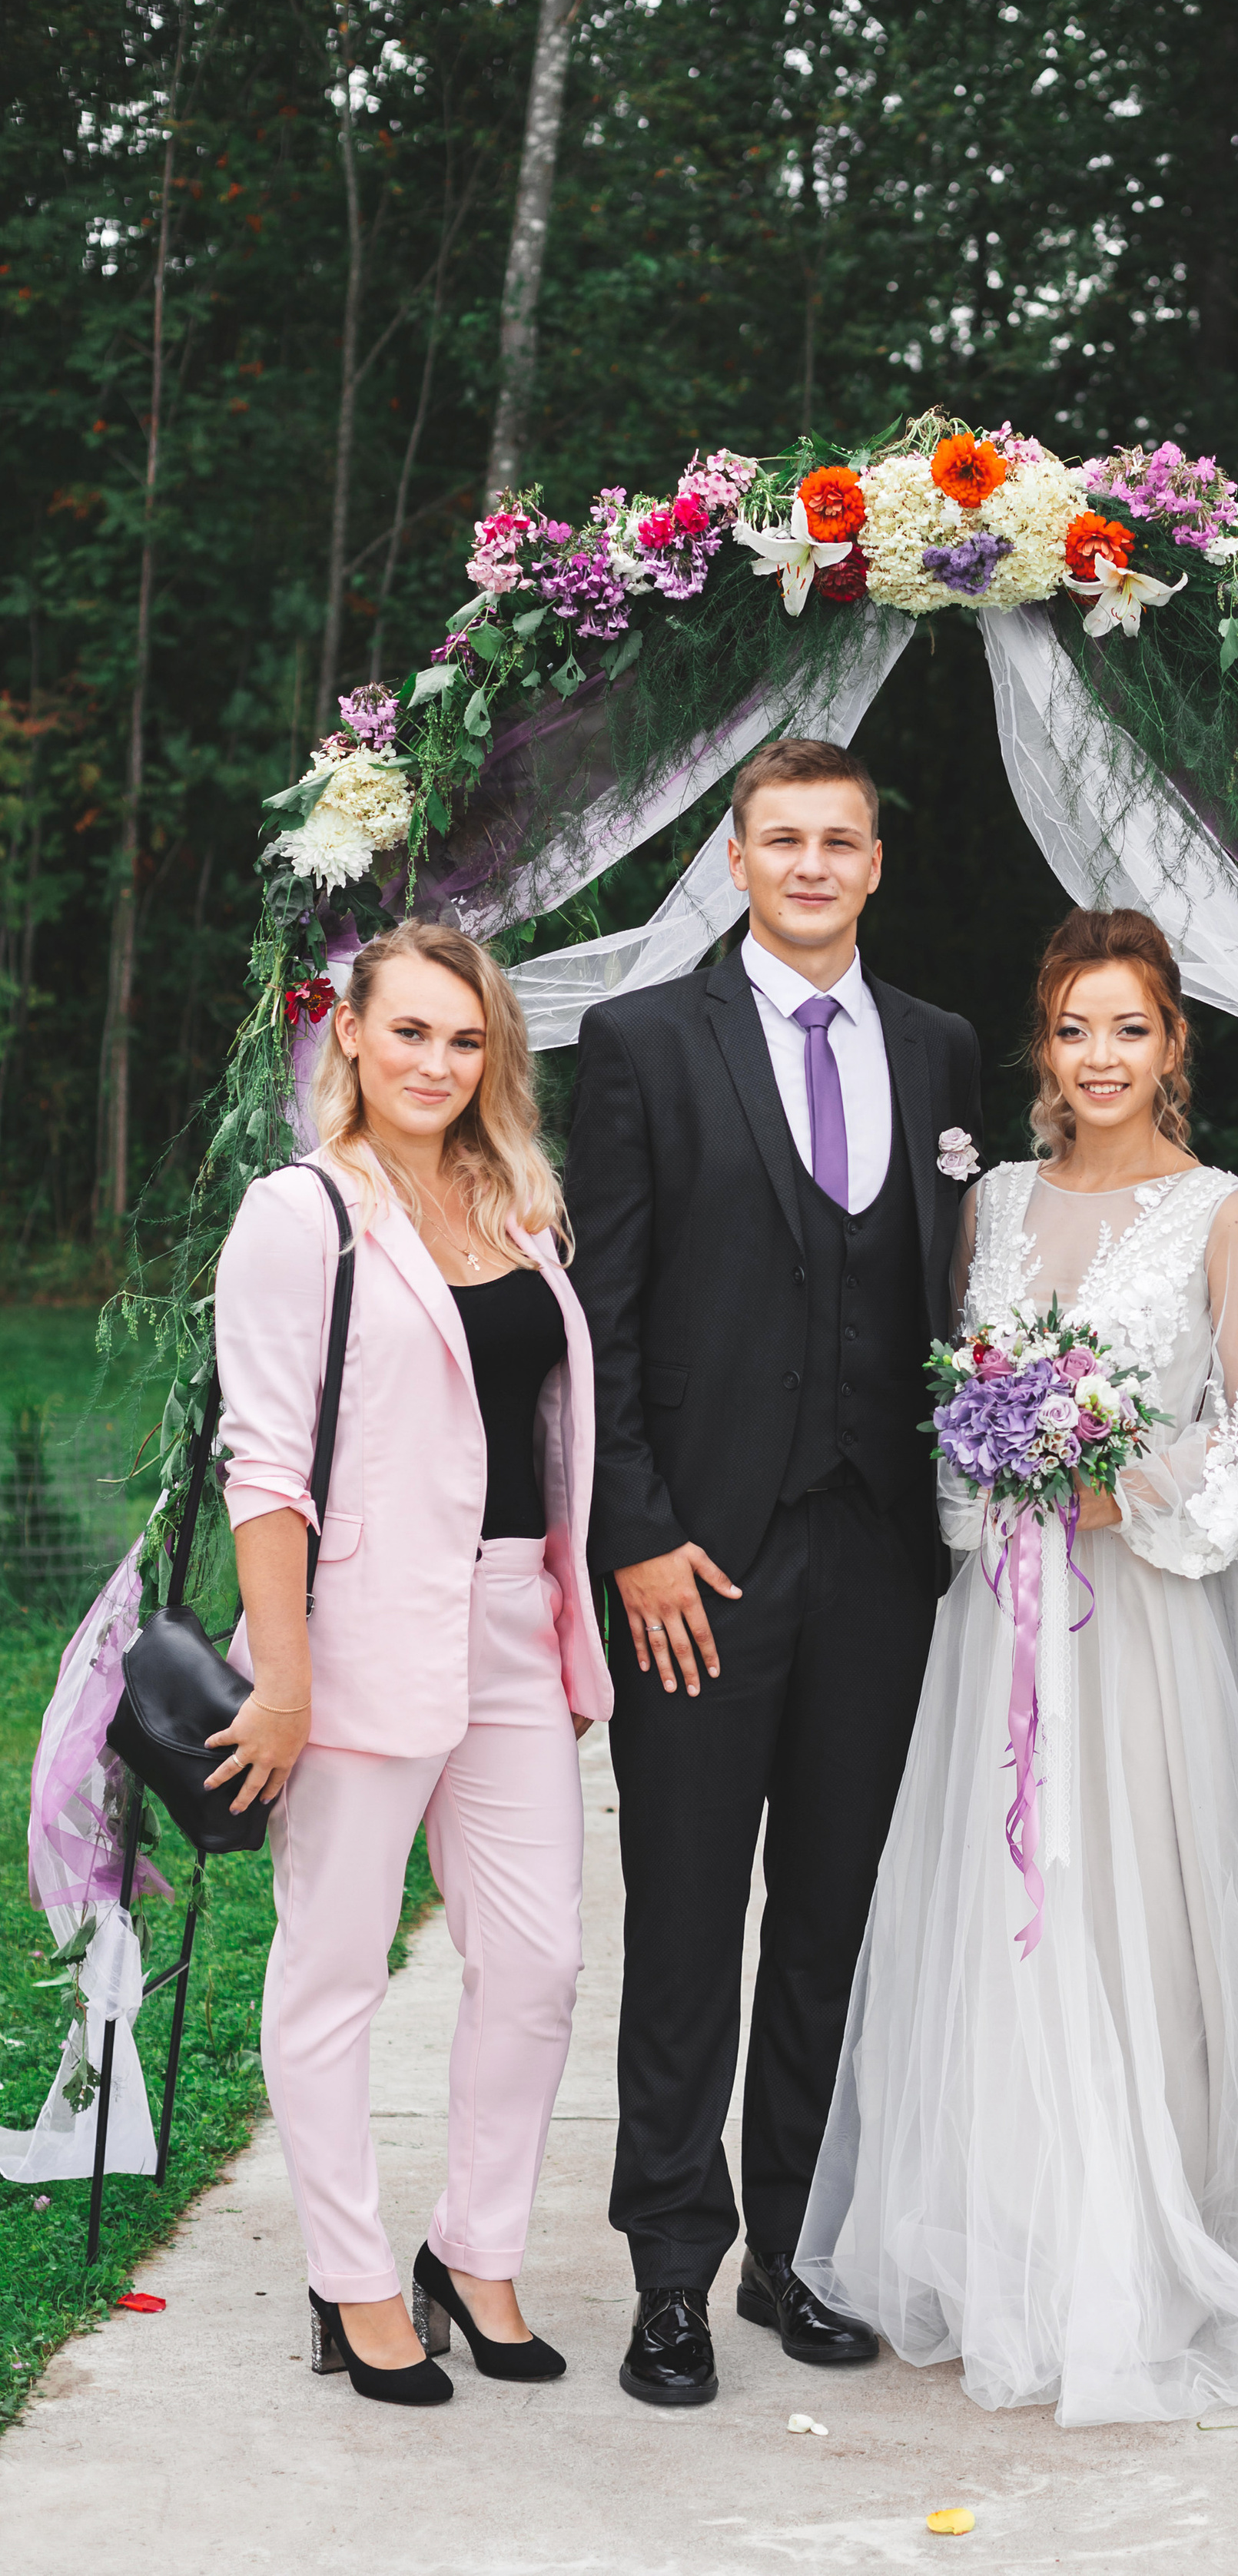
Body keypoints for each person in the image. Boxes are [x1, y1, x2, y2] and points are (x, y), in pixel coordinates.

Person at [797, 907, 1238, 2425]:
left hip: (1148, 1620)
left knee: (1140, 1908)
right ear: (1045, 1043)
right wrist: (999, 1489)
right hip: (1004, 1616)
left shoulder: (1215, 1208)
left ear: (1171, 1047)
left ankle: (1157, 2224)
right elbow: (953, 1392)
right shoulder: (995, 1203)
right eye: (1074, 1028)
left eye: (1128, 1029)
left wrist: (1125, 1496)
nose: (1099, 1056)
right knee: (1006, 1908)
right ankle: (1020, 2220)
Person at [564, 736, 982, 2409]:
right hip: (697, 1566)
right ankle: (669, 2268)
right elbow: (601, 1321)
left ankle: (789, 2251)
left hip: (881, 1553)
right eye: (780, 839)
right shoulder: (641, 1041)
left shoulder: (941, 1051)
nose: (811, 865)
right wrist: (638, 1535)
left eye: (839, 841)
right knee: (682, 1922)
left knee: (829, 1925)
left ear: (875, 864)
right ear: (734, 860)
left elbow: (961, 1292)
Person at [209, 920, 610, 2407]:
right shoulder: (297, 1215)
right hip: (360, 1637)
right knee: (332, 1970)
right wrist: (286, 1677)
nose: (436, 1063)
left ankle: (476, 2251)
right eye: (411, 1033)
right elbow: (268, 1466)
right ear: (351, 1040)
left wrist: (563, 1621)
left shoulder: (518, 1203)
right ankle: (354, 2279)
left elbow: (540, 1433)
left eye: (465, 1040)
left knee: (539, 1962)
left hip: (512, 1622)